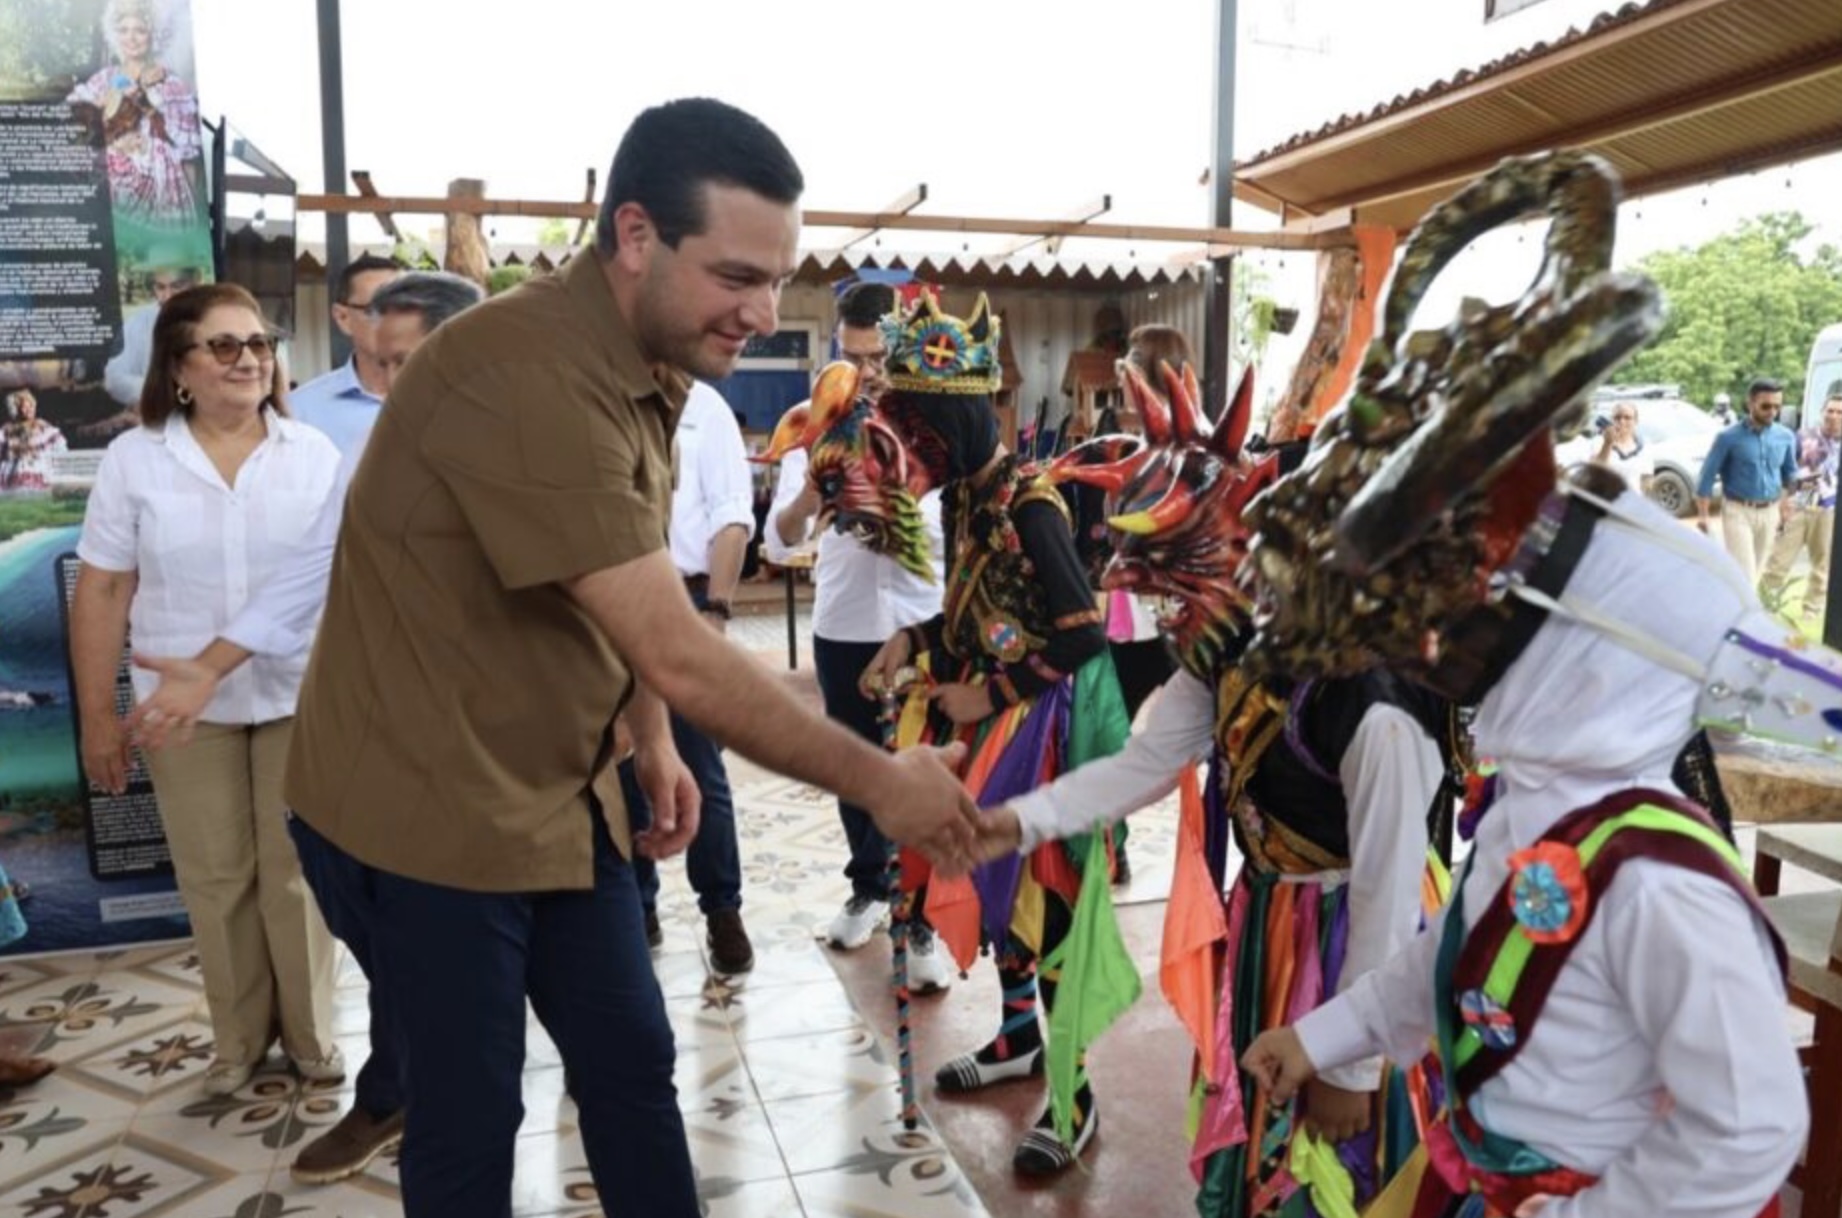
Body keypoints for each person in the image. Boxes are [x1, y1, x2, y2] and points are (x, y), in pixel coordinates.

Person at [278, 98, 975, 1218]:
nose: (764, 312)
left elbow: (630, 570)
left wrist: (650, 736)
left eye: (778, 280)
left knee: (631, 1072)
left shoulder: (645, 368)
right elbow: (684, 647)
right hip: (430, 812)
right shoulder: (522, 374)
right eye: (737, 276)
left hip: (568, 791)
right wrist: (884, 783)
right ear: (638, 235)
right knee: (468, 1115)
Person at [1242, 471, 1807, 1218]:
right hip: (1482, 1178)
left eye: (1507, 625)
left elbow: (1750, 1127)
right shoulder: (1530, 812)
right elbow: (1446, 959)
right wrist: (1321, 1037)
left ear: (1597, 664)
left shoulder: (1665, 882)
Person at [978, 360, 1455, 1215]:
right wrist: (1010, 823)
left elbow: (1388, 884)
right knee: (1259, 1145)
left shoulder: (1372, 706)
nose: (1155, 608)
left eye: (1167, 582)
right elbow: (1142, 764)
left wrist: (1354, 1055)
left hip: (1362, 951)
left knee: (1346, 1165)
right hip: (1271, 923)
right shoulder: (1230, 650)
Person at [127, 271, 485, 1185]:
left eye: (409, 363)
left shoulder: (539, 446)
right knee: (376, 911)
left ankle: (453, 1095)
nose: (390, 384)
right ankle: (395, 1088)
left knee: (530, 970)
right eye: (382, 362)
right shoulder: (376, 457)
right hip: (388, 725)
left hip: (505, 745)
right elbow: (310, 575)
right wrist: (207, 666)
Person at [862, 291, 1130, 1176]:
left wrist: (994, 693)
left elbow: (1083, 631)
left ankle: (1075, 1090)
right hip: (990, 714)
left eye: (924, 431)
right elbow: (975, 615)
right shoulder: (961, 499)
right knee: (996, 898)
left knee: (1040, 904)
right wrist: (916, 641)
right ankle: (1018, 1037)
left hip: (1039, 729)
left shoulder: (1029, 503)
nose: (916, 456)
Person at [68, 283, 343, 1098]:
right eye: (225, 345)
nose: (250, 359)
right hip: (181, 711)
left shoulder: (312, 452)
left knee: (296, 874)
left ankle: (313, 1038)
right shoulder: (136, 458)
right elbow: (104, 589)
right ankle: (237, 1043)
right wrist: (96, 718)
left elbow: (340, 583)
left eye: (259, 343)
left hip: (301, 697)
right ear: (179, 368)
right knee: (215, 877)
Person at [764, 282, 951, 991]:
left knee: (918, 766)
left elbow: (954, 523)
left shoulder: (933, 423)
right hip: (843, 622)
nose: (864, 371)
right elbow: (779, 537)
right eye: (851, 355)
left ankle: (924, 917)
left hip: (918, 621)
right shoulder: (815, 420)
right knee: (854, 764)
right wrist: (813, 491)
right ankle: (871, 887)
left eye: (876, 356)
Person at [614, 379, 758, 972]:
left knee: (700, 765)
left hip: (687, 605)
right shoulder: (600, 394)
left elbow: (733, 516)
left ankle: (722, 909)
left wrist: (717, 614)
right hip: (609, 607)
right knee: (621, 767)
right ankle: (638, 906)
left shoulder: (707, 410)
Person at [65, 0, 204, 230]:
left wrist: (143, 98)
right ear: (114, 33)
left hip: (158, 190)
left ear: (153, 35)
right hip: (110, 188)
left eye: (140, 30)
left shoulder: (169, 84)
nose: (131, 38)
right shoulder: (105, 79)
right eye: (124, 30)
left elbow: (186, 150)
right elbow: (74, 119)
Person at [288, 254, 404, 457]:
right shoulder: (301, 411)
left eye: (404, 308)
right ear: (343, 318)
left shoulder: (446, 399)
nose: (394, 321)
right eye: (377, 309)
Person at [1696, 377, 1797, 584]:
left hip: (1770, 512)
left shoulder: (1785, 436)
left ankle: (1731, 610)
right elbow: (1706, 477)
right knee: (1745, 575)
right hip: (1738, 512)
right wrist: (1703, 516)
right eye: (1766, 406)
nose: (1772, 411)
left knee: (1756, 574)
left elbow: (1790, 474)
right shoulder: (1727, 438)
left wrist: (1787, 503)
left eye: (1777, 406)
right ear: (1750, 403)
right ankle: (1746, 615)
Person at [1758, 391, 1842, 624]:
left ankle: (1811, 611)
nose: (1834, 416)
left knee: (1822, 565)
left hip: (1829, 508)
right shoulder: (1802, 437)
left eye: (1839, 412)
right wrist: (1782, 503)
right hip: (1799, 503)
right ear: (1822, 413)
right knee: (1778, 561)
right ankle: (1765, 608)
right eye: (1830, 411)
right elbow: (1782, 471)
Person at [104, 263, 199, 412]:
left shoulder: (213, 319)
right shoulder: (137, 322)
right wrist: (166, 393)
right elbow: (114, 379)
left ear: (195, 283)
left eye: (177, 286)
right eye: (160, 287)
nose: (168, 296)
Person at [0, 390, 68, 491]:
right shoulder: (7, 430)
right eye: (25, 407)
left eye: (31, 406)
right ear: (17, 409)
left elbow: (60, 449)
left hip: (36, 470)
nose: (29, 410)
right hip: (12, 473)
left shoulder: (43, 428)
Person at [1590, 399, 1652, 494]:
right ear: (1611, 420)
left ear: (1636, 421)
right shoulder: (1598, 441)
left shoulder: (1644, 446)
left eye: (1627, 418)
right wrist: (1607, 444)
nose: (1622, 421)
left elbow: (1647, 479)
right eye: (1617, 417)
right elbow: (1595, 473)